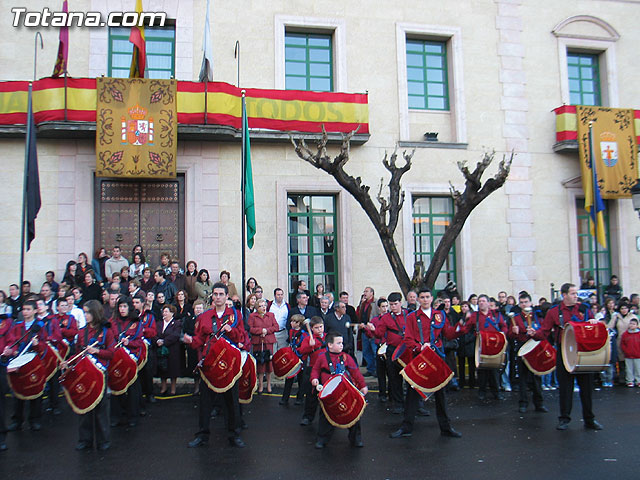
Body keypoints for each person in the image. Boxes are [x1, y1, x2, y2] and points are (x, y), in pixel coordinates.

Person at [390, 287, 462, 439]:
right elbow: (408, 339)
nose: (424, 299)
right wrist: (419, 347)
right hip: (419, 357)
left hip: (436, 357)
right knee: (412, 392)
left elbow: (448, 333)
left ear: (431, 299)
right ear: (417, 300)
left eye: (427, 297)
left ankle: (446, 427)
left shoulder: (440, 315)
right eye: (421, 297)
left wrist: (462, 325)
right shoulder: (412, 317)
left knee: (441, 393)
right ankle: (406, 427)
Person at [183, 282, 247, 448]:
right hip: (210, 364)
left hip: (229, 365)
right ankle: (202, 435)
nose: (218, 297)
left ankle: (234, 434)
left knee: (231, 402)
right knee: (205, 402)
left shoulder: (235, 316)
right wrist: (191, 341)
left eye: (221, 294)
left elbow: (241, 337)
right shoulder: (204, 317)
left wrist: (230, 331)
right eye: (215, 294)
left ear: (227, 297)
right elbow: (199, 339)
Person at [534, 283, 603, 431]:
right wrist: (533, 334)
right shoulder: (554, 312)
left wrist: (593, 323)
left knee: (587, 387)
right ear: (564, 295)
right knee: (565, 387)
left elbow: (592, 327)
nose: (575, 296)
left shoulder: (584, 309)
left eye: (576, 293)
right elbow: (544, 331)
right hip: (564, 351)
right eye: (572, 293)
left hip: (583, 352)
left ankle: (589, 419)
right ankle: (564, 419)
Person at [69, 299, 115, 451]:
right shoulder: (82, 331)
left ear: (95, 313)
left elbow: (111, 353)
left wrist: (97, 351)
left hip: (100, 373)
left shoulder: (107, 331)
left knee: (101, 408)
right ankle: (85, 439)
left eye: (88, 312)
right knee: (84, 405)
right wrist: (68, 362)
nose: (85, 315)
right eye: (84, 312)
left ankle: (103, 440)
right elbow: (77, 352)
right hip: (84, 372)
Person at [311, 332, 368, 449]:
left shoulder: (347, 357)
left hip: (345, 391)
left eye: (342, 343)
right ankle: (322, 439)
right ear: (330, 345)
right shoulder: (322, 357)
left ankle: (356, 438)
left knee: (353, 413)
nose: (342, 345)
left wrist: (363, 385)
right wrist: (314, 379)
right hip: (329, 393)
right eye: (338, 343)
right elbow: (315, 370)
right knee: (325, 416)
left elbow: (355, 372)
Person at [7, 300, 45, 432]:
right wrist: (14, 350)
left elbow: (44, 347)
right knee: (18, 390)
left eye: (28, 309)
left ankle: (34, 420)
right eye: (24, 309)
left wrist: (36, 344)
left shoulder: (40, 326)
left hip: (33, 361)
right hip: (19, 360)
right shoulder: (18, 326)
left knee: (35, 390)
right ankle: (17, 420)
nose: (25, 312)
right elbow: (12, 340)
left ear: (35, 311)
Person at [460, 294, 507, 401]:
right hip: (481, 346)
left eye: (483, 301)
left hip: (495, 346)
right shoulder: (474, 316)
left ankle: (496, 392)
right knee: (481, 370)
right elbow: (466, 329)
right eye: (479, 301)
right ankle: (482, 392)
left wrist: (502, 336)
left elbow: (503, 326)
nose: (481, 303)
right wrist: (463, 322)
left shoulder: (495, 315)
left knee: (494, 370)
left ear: (488, 303)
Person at [508, 292, 548, 414]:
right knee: (523, 377)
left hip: (535, 347)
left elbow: (543, 331)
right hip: (522, 347)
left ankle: (539, 403)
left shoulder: (537, 316)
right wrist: (514, 332)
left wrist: (536, 332)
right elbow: (509, 335)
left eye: (526, 302)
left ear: (530, 303)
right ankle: (523, 403)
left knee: (536, 376)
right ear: (519, 304)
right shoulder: (515, 318)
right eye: (522, 302)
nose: (524, 304)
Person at [368, 292, 406, 413]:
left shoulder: (409, 314)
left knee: (411, 378)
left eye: (395, 304)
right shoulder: (386, 318)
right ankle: (398, 403)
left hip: (406, 350)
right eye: (391, 304)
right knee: (394, 378)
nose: (393, 307)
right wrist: (373, 330)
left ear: (401, 303)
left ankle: (417, 405)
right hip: (393, 350)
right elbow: (379, 334)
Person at [110, 297, 144, 428]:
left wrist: (129, 342)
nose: (122, 309)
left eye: (125, 306)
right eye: (120, 307)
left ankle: (132, 416)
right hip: (116, 360)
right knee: (115, 386)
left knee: (132, 389)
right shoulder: (112, 322)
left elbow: (140, 342)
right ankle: (115, 416)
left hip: (130, 359)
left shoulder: (136, 322)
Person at [298, 316, 326, 426]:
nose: (319, 329)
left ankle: (328, 417)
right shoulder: (307, 339)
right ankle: (308, 417)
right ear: (312, 329)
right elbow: (301, 351)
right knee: (311, 394)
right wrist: (309, 347)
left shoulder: (328, 337)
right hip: (313, 368)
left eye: (321, 327)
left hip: (326, 370)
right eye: (317, 328)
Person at [248, 299, 279, 393]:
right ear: (257, 307)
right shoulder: (252, 316)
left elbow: (276, 327)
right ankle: (260, 384)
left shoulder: (271, 315)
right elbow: (250, 328)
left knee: (269, 364)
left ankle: (269, 385)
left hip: (268, 342)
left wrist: (266, 331)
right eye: (261, 306)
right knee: (260, 363)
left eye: (264, 305)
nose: (263, 307)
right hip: (258, 342)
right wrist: (260, 331)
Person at [279, 314, 307, 406]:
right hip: (292, 358)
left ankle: (300, 398)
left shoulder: (303, 334)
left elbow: (303, 347)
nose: (291, 323)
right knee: (289, 378)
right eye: (291, 321)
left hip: (300, 358)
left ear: (299, 323)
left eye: (294, 322)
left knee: (301, 379)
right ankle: (285, 398)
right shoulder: (291, 331)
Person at [607, 302, 637, 386]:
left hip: (632, 340)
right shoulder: (616, 317)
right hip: (619, 340)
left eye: (625, 308)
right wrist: (613, 318)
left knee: (632, 360)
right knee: (621, 360)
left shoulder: (633, 317)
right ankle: (622, 378)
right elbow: (609, 327)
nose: (624, 310)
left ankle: (633, 378)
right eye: (622, 308)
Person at [156, 305, 182, 396]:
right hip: (161, 351)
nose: (164, 313)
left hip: (172, 350)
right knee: (162, 370)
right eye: (163, 312)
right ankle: (163, 388)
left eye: (166, 312)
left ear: (172, 313)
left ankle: (173, 389)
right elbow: (155, 334)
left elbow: (176, 335)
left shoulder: (176, 323)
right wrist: (157, 340)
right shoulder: (159, 323)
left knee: (173, 370)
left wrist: (164, 341)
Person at [182, 300, 203, 394]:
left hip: (203, 347)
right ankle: (196, 387)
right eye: (197, 308)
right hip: (192, 346)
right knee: (194, 366)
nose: (198, 310)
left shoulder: (206, 319)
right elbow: (186, 330)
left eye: (200, 308)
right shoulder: (189, 319)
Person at [457, 301, 476, 389]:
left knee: (471, 364)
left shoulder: (472, 318)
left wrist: (469, 339)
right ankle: (461, 382)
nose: (464, 308)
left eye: (466, 306)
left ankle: (472, 383)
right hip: (461, 344)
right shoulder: (459, 317)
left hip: (470, 343)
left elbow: (474, 331)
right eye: (462, 306)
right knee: (461, 365)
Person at [620, 317, 640, 387]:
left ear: (637, 325)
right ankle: (630, 381)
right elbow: (622, 344)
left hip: (638, 355)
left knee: (638, 369)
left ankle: (638, 381)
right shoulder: (625, 334)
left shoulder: (639, 334)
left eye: (634, 324)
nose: (631, 325)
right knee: (629, 369)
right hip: (628, 355)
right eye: (630, 324)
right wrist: (626, 351)